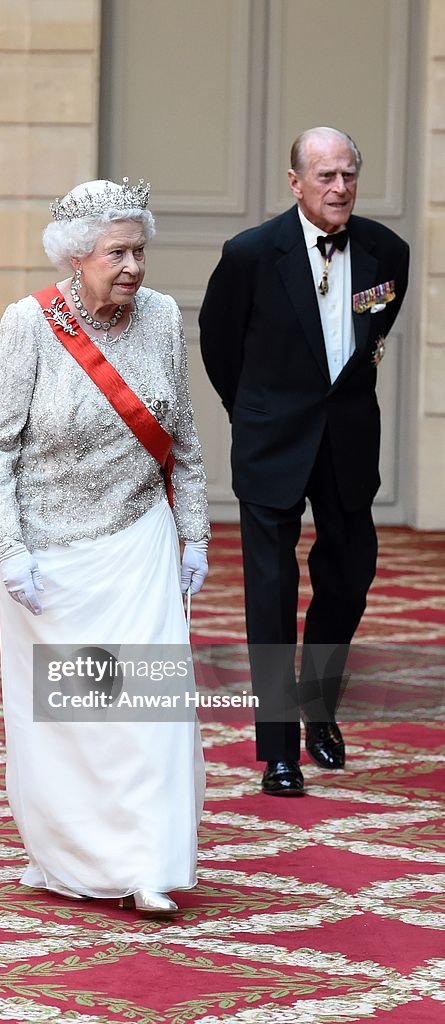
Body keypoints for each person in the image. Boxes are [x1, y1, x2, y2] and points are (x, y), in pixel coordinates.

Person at [0, 179, 209, 915]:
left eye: (139, 249)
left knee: (145, 711)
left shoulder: (164, 317)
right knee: (69, 718)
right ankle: (68, 856)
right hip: (51, 556)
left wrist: (193, 535)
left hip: (139, 539)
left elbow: (186, 442)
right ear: (77, 258)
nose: (133, 265)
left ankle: (147, 863)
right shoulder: (29, 324)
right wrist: (10, 547)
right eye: (117, 252)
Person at [199, 127, 410, 797]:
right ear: (295, 183)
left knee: (348, 579)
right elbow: (217, 345)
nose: (339, 188)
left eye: (347, 174)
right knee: (270, 596)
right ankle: (277, 749)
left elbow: (370, 336)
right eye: (324, 176)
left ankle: (319, 707)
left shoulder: (387, 253)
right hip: (269, 443)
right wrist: (250, 411)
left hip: (347, 442)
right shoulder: (250, 254)